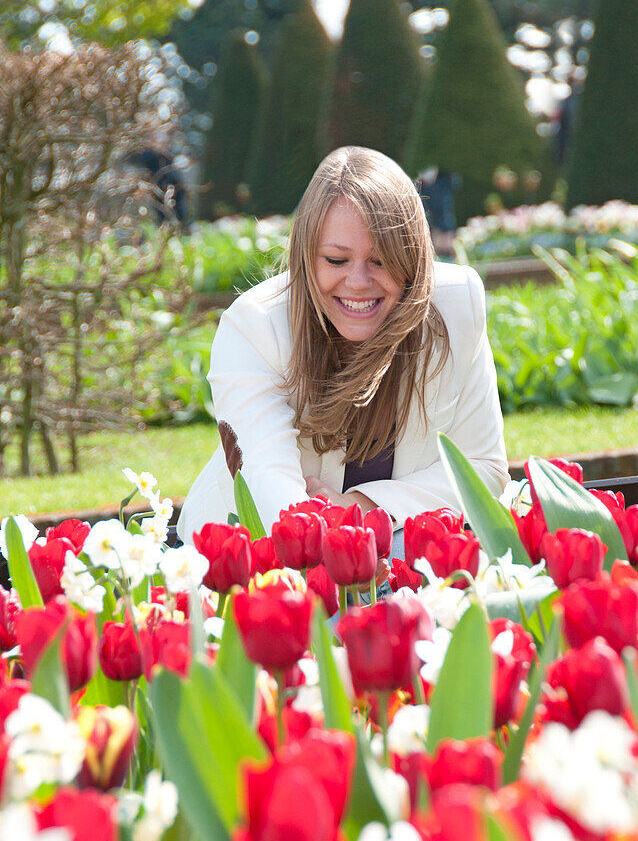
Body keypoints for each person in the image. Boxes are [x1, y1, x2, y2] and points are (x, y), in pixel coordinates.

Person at [177, 146, 509, 548]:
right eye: (336, 260)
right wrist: (329, 537)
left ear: (414, 257)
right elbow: (269, 484)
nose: (357, 282)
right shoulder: (256, 327)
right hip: (251, 562)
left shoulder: (456, 304)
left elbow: (483, 469)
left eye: (381, 260)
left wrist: (359, 506)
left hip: (399, 554)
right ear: (306, 256)